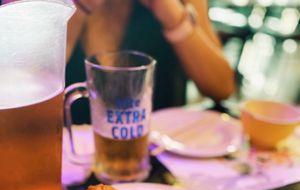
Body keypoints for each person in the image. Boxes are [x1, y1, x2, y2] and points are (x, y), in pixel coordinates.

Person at [67, 0, 235, 123]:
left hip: (161, 156)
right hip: (66, 155)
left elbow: (221, 88)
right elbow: (41, 88)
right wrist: (76, 9)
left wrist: (173, 15)